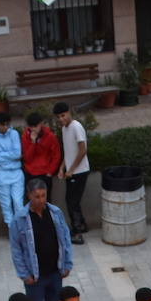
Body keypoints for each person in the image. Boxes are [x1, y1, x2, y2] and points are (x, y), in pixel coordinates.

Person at [11, 179, 74, 301]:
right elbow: (16, 249)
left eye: (43, 196)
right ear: (29, 196)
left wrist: (67, 264)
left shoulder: (55, 213)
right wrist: (24, 274)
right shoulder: (19, 219)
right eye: (37, 196)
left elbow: (65, 239)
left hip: (55, 272)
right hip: (35, 277)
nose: (41, 200)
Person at [53, 102, 90, 246]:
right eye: (58, 117)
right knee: (73, 200)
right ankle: (82, 225)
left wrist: (71, 170)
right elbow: (68, 152)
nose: (61, 119)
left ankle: (77, 233)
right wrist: (62, 168)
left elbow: (83, 150)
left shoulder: (76, 127)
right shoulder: (64, 129)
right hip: (71, 172)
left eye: (63, 115)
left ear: (69, 112)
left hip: (80, 172)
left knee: (71, 202)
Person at [0, 111, 23, 228]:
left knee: (18, 202)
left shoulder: (14, 134)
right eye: (3, 124)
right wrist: (10, 156)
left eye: (8, 124)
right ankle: (11, 229)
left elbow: (18, 154)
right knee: (6, 204)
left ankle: (21, 228)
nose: (6, 127)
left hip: (17, 173)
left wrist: (2, 154)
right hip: (2, 175)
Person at [21, 112, 62, 201]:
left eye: (36, 126)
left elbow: (56, 155)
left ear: (41, 124)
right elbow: (27, 158)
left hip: (44, 173)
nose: (33, 129)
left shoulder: (50, 136)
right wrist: (33, 142)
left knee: (46, 201)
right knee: (32, 200)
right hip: (30, 173)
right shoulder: (25, 136)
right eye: (31, 127)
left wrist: (50, 171)